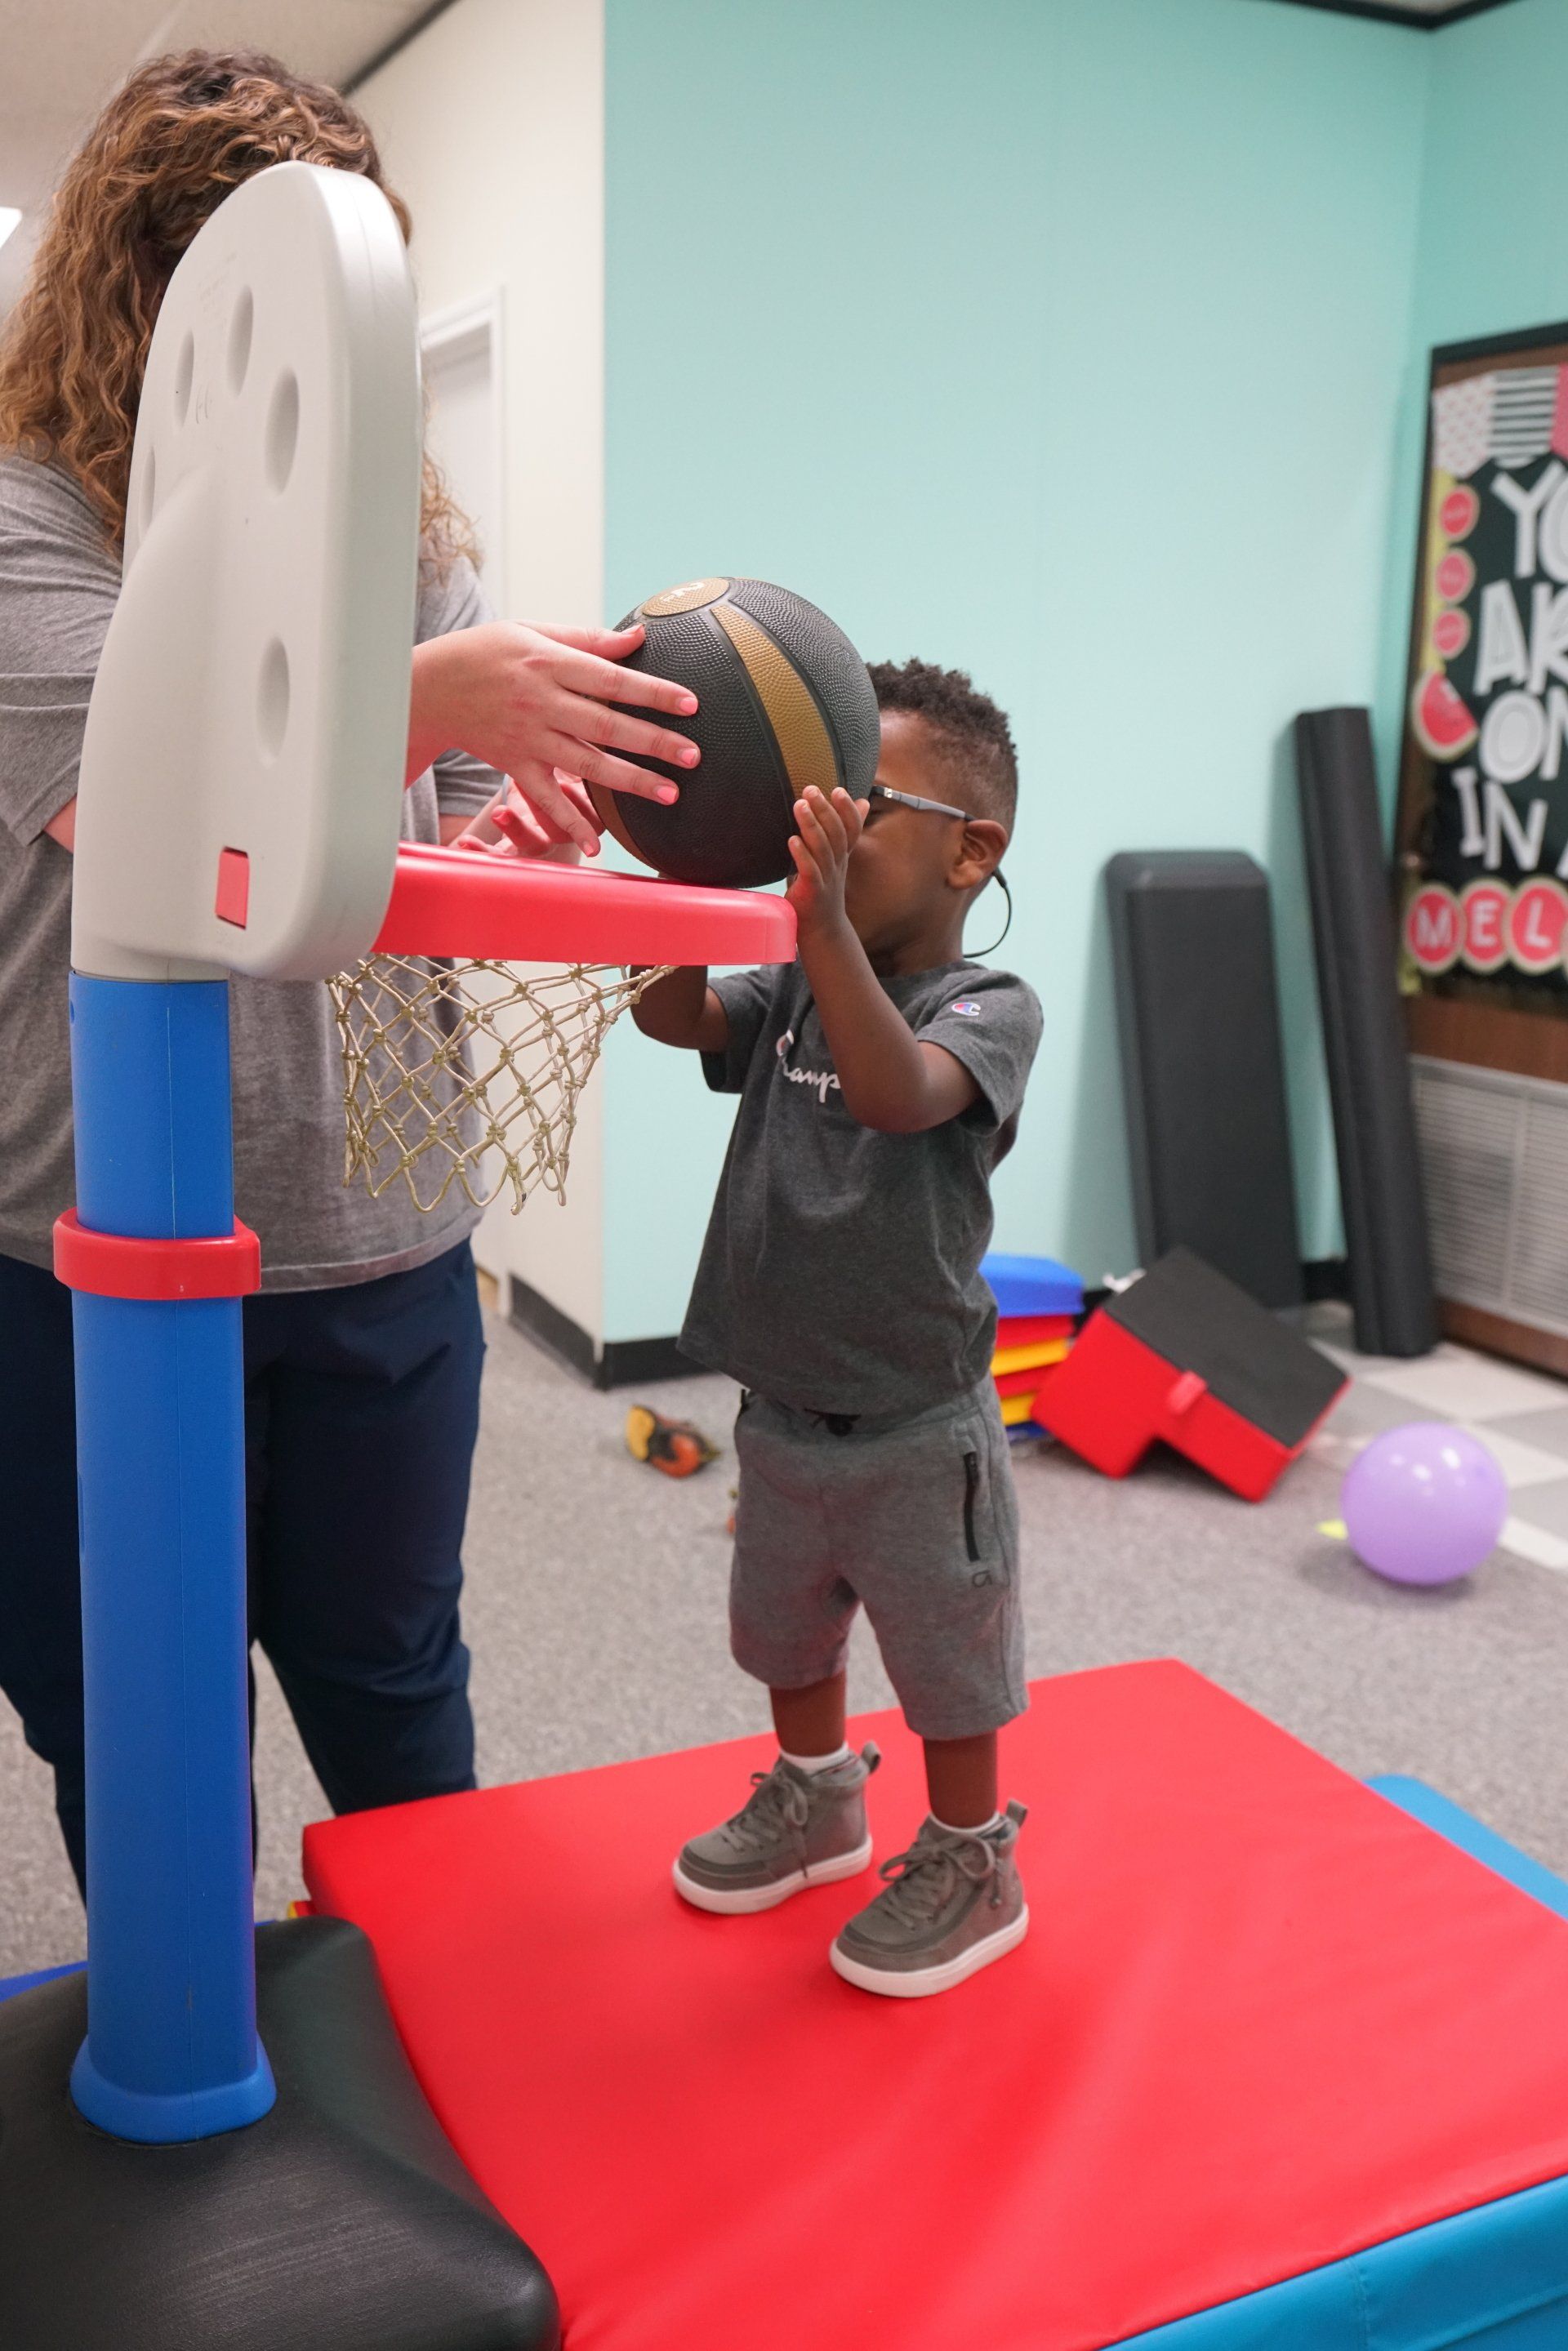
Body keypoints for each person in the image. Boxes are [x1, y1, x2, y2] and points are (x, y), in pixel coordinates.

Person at [0, 49, 697, 1892]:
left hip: (378, 1234)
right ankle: (188, 2026)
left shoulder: (400, 542)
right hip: (90, 1246)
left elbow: (444, 849)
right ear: (157, 295)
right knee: (132, 1716)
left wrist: (513, 839)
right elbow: (149, 822)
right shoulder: (25, 529)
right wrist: (443, 692)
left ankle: (438, 2012)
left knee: (395, 1690)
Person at [633, 660, 1042, 1997]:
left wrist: (813, 933)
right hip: (781, 1406)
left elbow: (893, 1093)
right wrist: (689, 870)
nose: (820, 828)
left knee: (949, 1664)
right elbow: (674, 1013)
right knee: (786, 1634)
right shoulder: (798, 982)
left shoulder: (988, 1008)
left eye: (858, 805)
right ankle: (818, 1800)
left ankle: (975, 1859)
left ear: (970, 851)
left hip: (918, 1423)